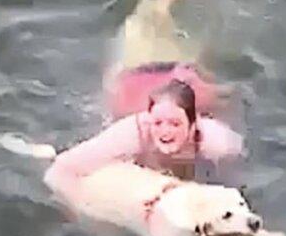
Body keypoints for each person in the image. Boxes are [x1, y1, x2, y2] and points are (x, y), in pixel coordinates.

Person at [43, 79, 244, 202]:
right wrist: (84, 212)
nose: (165, 132)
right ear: (149, 120)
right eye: (158, 123)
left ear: (193, 125)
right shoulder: (131, 134)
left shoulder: (217, 143)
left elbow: (233, 184)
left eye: (175, 124)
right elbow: (60, 170)